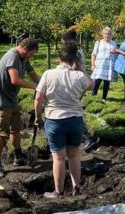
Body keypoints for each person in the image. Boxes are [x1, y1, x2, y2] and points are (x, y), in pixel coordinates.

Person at [34, 41, 94, 199]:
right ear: (75, 59)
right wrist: (80, 68)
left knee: (59, 157)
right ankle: (77, 187)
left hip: (55, 120)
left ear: (59, 58)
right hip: (75, 120)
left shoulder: (48, 74)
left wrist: (37, 116)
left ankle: (58, 192)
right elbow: (92, 85)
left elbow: (38, 98)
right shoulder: (79, 76)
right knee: (74, 155)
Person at [0, 38, 40, 178]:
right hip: (1, 100)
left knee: (16, 129)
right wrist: (35, 87)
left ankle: (18, 156)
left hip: (11, 99)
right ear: (24, 48)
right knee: (2, 133)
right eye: (31, 54)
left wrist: (46, 83)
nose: (31, 56)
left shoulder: (23, 58)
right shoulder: (13, 56)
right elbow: (15, 80)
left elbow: (33, 75)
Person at [91, 27, 117, 103]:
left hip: (109, 66)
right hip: (100, 65)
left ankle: (104, 98)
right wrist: (93, 64)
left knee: (107, 82)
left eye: (109, 34)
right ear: (103, 34)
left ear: (111, 35)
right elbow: (93, 54)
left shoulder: (113, 43)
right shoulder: (98, 42)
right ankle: (93, 96)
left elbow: (116, 53)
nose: (107, 35)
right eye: (105, 34)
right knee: (97, 81)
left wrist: (115, 52)